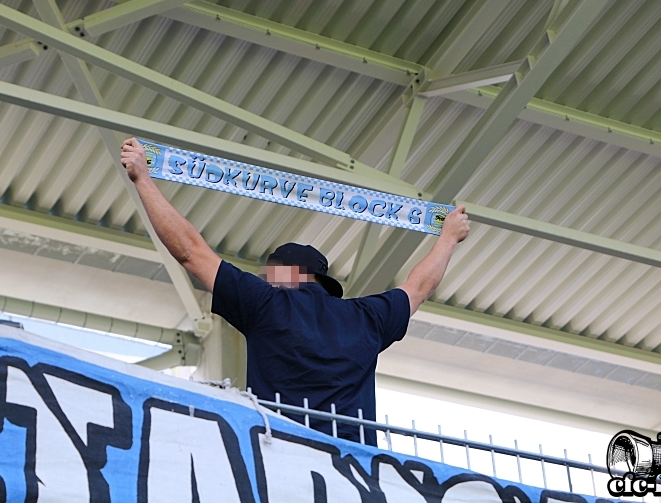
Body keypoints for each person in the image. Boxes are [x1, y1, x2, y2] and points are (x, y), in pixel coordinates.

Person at [120, 137, 470, 445]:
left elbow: (189, 251)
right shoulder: (368, 318)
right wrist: (449, 237)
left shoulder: (266, 303)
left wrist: (143, 179)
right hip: (354, 468)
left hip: (283, 452)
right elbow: (420, 286)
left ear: (282, 275)